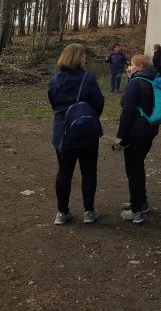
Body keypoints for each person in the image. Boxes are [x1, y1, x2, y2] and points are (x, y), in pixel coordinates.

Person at [48, 43, 104, 226]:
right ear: (79, 58)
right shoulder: (87, 78)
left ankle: (62, 213)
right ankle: (89, 211)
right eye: (84, 55)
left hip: (62, 132)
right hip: (85, 131)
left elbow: (53, 101)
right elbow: (98, 103)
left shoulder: (55, 79)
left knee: (64, 171)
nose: (85, 59)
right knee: (89, 171)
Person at [114, 54, 160, 223]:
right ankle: (141, 202)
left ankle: (136, 211)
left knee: (134, 171)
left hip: (136, 132)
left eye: (132, 65)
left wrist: (120, 136)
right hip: (150, 129)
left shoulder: (136, 82)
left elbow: (127, 111)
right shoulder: (152, 79)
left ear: (140, 67)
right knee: (138, 167)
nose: (128, 67)